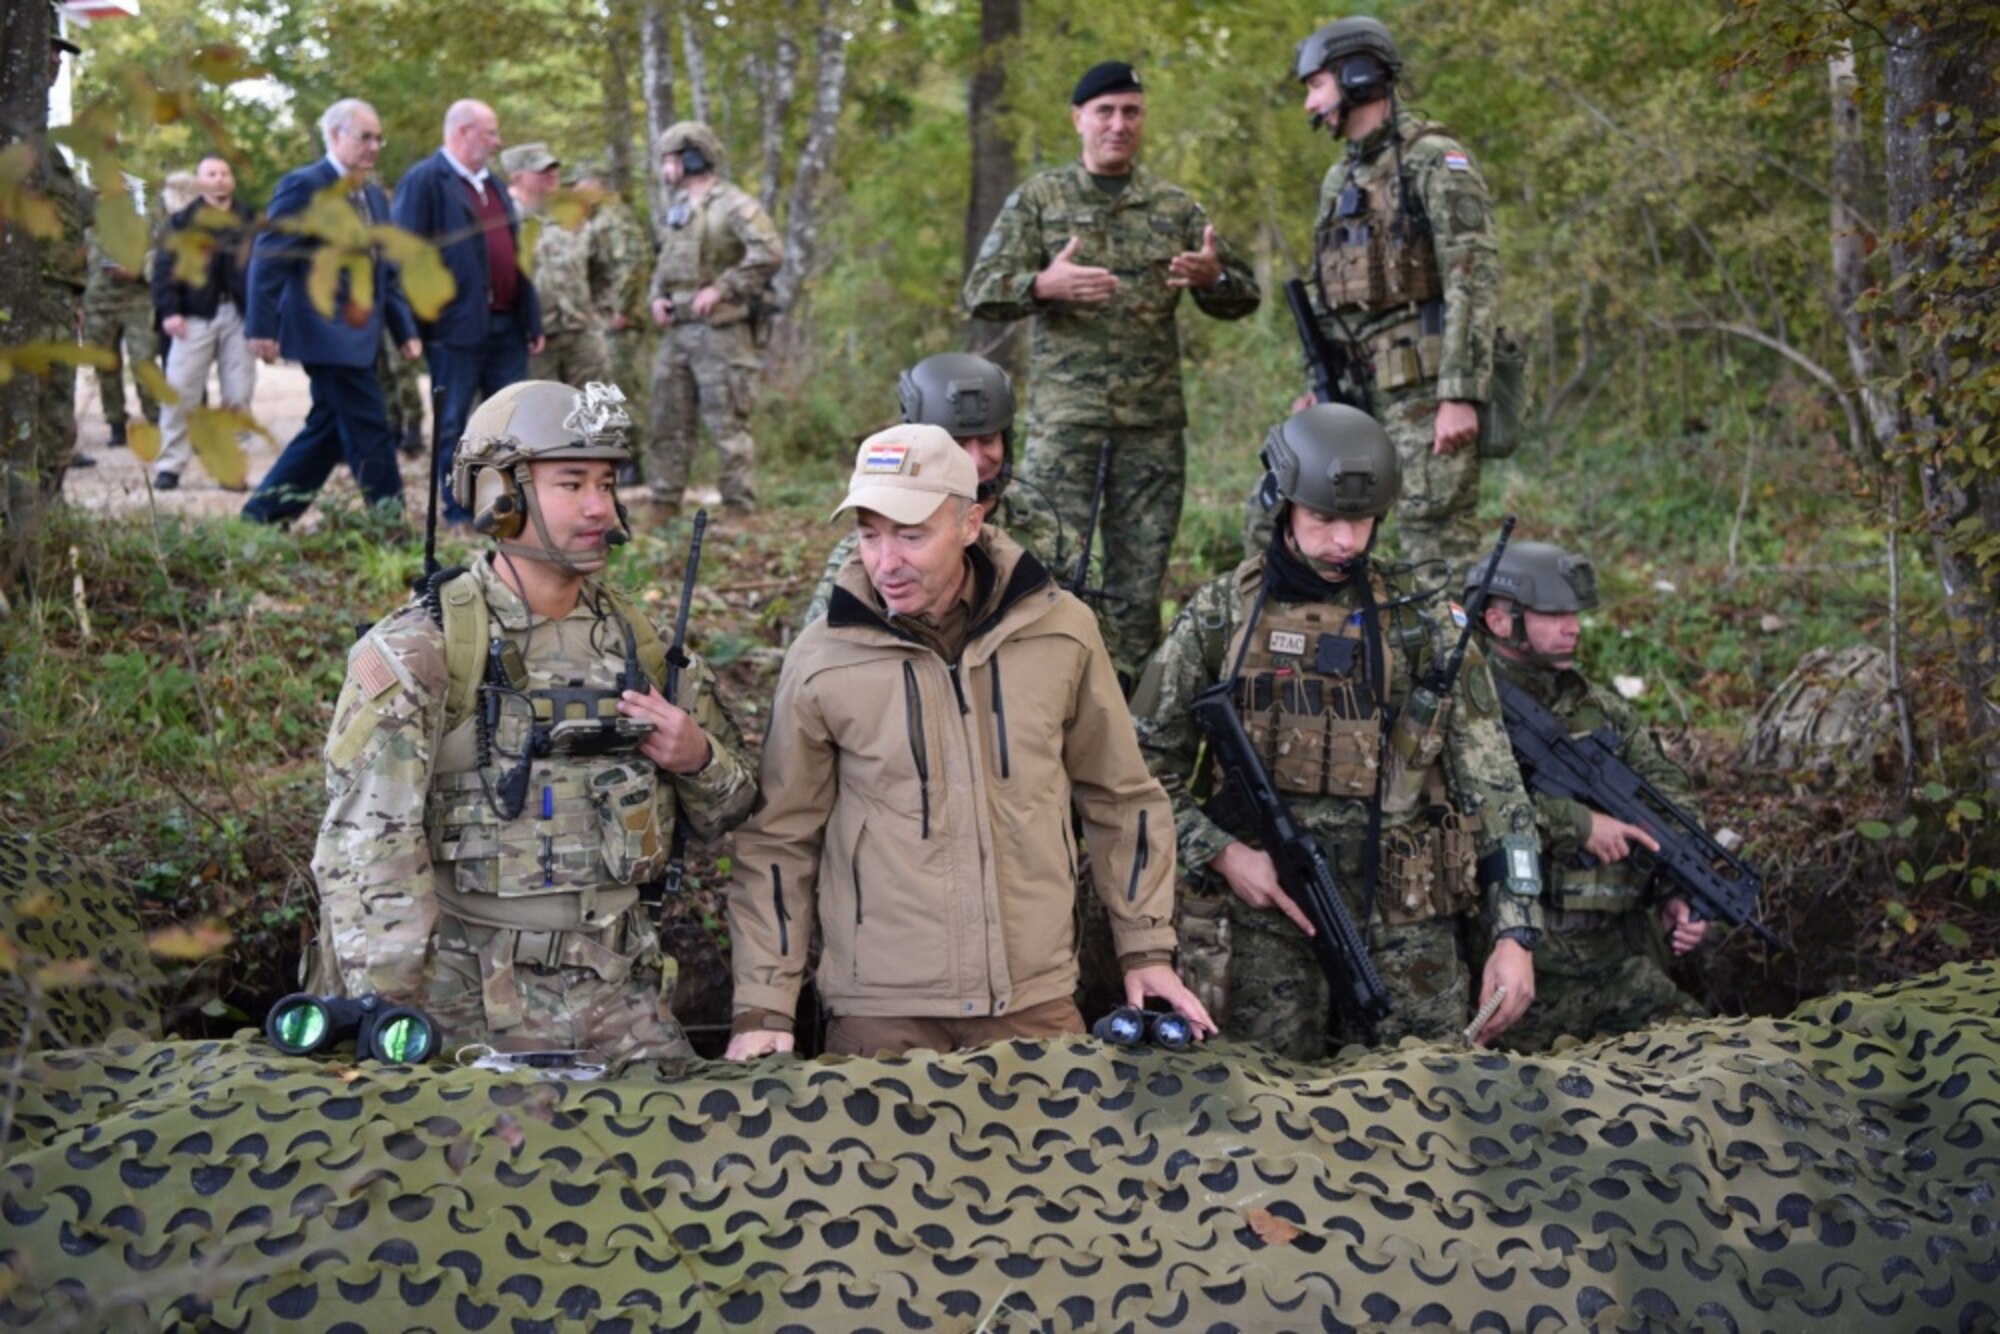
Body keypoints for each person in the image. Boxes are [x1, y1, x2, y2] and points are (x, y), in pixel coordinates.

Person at [724, 424, 1214, 1059]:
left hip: (1034, 1001)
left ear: (970, 521)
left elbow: (1121, 797)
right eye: (868, 534)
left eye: (910, 534)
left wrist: (1146, 948)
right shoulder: (822, 658)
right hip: (881, 1014)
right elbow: (778, 840)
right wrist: (763, 1006)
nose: (886, 561)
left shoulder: (1060, 630)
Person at [309, 381, 756, 1061]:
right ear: (498, 495)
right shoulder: (424, 650)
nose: (599, 509)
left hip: (621, 995)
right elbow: (367, 849)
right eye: (571, 484)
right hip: (466, 1001)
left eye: (607, 485)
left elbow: (736, 806)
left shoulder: (641, 643)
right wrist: (390, 1015)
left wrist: (698, 759)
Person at [1132, 403, 1542, 1058]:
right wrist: (1223, 853)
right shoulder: (1218, 616)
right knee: (1257, 1117)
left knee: (1425, 1113)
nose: (1345, 541)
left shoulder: (1424, 622)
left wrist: (1515, 934)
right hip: (1264, 922)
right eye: (1324, 518)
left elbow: (1496, 788)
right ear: (1282, 504)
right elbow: (1138, 769)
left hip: (1407, 926)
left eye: (1360, 520)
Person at [963, 60, 1260, 681]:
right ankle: (1033, 703)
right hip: (1064, 427)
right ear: (1079, 120)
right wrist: (1042, 284)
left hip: (1149, 431)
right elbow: (982, 290)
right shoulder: (1042, 200)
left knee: (1136, 590)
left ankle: (1125, 724)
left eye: (1131, 111)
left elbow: (1243, 294)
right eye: (1105, 111)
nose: (1118, 124)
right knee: (1037, 570)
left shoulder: (1175, 207)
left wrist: (1216, 278)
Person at [1464, 540, 1709, 1051]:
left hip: (1618, 964)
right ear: (1498, 620)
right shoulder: (1467, 709)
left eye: (1574, 613)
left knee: (1707, 1061)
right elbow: (1459, 813)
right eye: (1553, 614)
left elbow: (1672, 804)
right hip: (1516, 968)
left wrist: (1680, 893)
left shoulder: (1604, 712)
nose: (1572, 626)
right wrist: (1578, 824)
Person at [1280, 17, 1501, 576]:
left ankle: (1455, 661)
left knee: (1435, 546)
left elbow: (1472, 276)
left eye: (1316, 85)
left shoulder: (1434, 160)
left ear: (1356, 75)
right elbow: (1334, 295)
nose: (1310, 105)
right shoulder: (1339, 180)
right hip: (1355, 391)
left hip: (1425, 392)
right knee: (1329, 539)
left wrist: (1460, 392)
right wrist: (1318, 390)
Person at [242, 99, 422, 526]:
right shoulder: (304, 186)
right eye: (365, 137)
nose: (374, 146)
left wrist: (403, 329)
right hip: (324, 331)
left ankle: (263, 514)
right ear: (335, 136)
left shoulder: (374, 195)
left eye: (379, 137)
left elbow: (385, 271)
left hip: (363, 333)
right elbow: (269, 256)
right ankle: (391, 522)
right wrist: (261, 326)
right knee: (370, 425)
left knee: (325, 430)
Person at [801, 352, 1062, 623]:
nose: (975, 460)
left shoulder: (1048, 538)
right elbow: (820, 648)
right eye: (957, 445)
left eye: (987, 440)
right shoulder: (866, 553)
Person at [393, 99, 545, 527]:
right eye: (490, 133)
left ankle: (504, 506)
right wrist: (416, 323)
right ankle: (457, 508)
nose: (497, 142)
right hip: (454, 328)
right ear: (462, 132)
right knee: (455, 423)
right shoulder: (426, 181)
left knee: (508, 423)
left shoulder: (492, 185)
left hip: (506, 325)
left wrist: (530, 316)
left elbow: (516, 256)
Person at [644, 122, 782, 520]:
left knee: (728, 426)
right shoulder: (679, 210)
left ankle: (740, 509)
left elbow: (769, 252)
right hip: (677, 333)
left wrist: (722, 288)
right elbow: (665, 261)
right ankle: (663, 505)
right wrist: (657, 296)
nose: (665, 170)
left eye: (670, 160)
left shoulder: (734, 206)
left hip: (721, 333)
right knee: (667, 421)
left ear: (692, 158)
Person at [150, 154, 256, 492]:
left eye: (225, 173)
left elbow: (266, 270)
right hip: (193, 316)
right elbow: (164, 268)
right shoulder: (182, 222)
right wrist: (170, 311)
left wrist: (266, 318)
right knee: (180, 392)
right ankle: (170, 465)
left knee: (238, 395)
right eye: (212, 173)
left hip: (239, 317)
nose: (220, 178)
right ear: (200, 182)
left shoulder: (249, 221)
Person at [503, 143, 615, 393]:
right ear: (518, 177)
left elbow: (601, 271)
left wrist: (599, 317)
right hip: (531, 342)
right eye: (541, 171)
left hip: (582, 336)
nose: (552, 175)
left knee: (600, 419)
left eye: (553, 169)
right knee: (541, 420)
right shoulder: (501, 223)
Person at [572, 159, 653, 450]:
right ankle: (612, 451)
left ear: (596, 185)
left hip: (617, 319)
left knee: (621, 386)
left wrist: (623, 309)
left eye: (580, 186)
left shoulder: (614, 218)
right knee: (604, 387)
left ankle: (631, 453)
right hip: (602, 316)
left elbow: (633, 265)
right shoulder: (598, 218)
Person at [81, 223, 160, 450]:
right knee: (106, 366)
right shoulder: (89, 215)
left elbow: (162, 254)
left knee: (143, 362)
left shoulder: (146, 211)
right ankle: (116, 422)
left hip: (139, 300)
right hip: (99, 303)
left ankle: (155, 419)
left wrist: (139, 269)